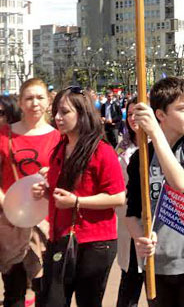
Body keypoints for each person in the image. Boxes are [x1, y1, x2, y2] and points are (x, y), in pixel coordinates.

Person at [125, 77, 184, 307]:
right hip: (157, 264)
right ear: (161, 114)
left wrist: (154, 133)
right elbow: (132, 212)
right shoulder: (141, 158)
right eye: (182, 109)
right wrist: (140, 237)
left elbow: (180, 183)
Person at [32, 86, 125, 306]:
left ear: (82, 114)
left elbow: (118, 197)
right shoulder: (60, 148)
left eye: (65, 112)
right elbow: (62, 193)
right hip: (60, 238)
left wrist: (76, 202)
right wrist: (47, 193)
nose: (57, 117)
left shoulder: (101, 151)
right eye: (56, 111)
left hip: (94, 243)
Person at [0, 79, 61, 307]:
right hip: (11, 223)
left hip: (48, 223)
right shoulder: (4, 135)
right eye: (29, 98)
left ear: (48, 101)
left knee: (47, 290)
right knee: (13, 291)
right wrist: (7, 204)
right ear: (20, 102)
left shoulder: (59, 137)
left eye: (39, 97)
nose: (34, 103)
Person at [115, 97, 144, 307]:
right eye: (130, 114)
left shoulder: (159, 144)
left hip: (154, 221)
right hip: (129, 220)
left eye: (138, 113)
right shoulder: (122, 146)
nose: (133, 118)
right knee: (130, 278)